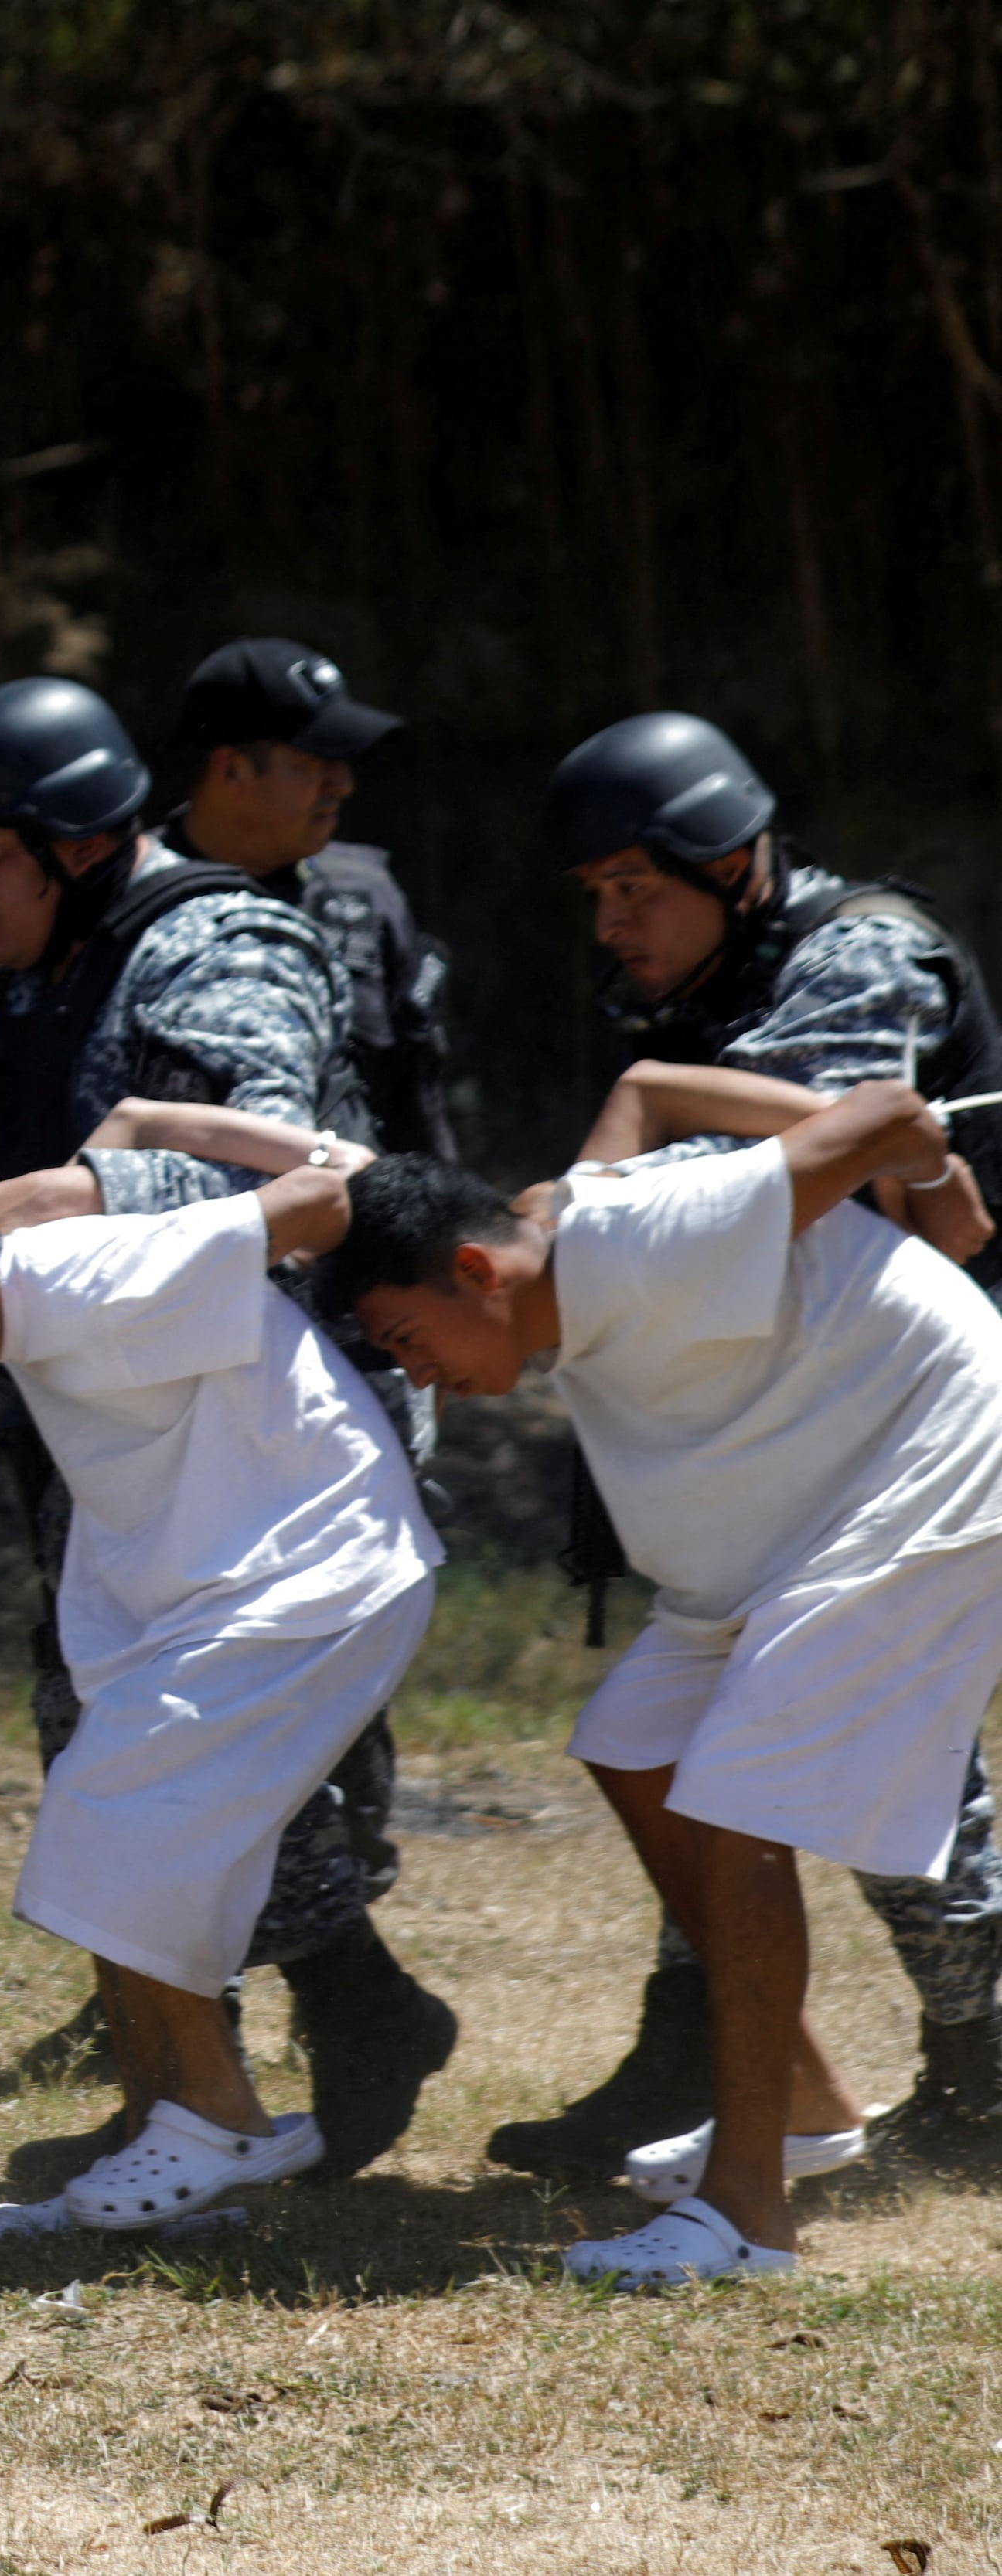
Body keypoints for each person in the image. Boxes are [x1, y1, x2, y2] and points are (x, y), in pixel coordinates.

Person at [0, 679, 454, 2183]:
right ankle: (181, 2087)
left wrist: (33, 1211)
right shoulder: (6, 981)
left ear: (78, 846)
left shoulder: (219, 946)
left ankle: (346, 2018)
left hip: (259, 1440)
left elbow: (270, 1188)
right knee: (100, 1738)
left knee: (219, 1764)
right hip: (104, 1421)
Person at [326, 1080, 1002, 2282]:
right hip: (789, 1518)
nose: (418, 1378)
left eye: (407, 1341)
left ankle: (748, 2219)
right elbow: (638, 1091)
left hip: (929, 1474)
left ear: (477, 1271)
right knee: (635, 1742)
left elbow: (895, 1111)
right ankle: (799, 2103)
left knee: (735, 1812)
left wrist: (943, 1188)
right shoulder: (557, 1243)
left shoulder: (660, 1229)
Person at [488, 711, 1002, 2179]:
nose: (613, 921)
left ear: (732, 860)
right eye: (593, 894)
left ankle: (981, 2061)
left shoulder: (854, 956)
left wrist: (592, 1188)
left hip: (904, 1427)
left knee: (906, 1777)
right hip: (790, 1425)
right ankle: (705, 2046)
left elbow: (756, 1182)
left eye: (635, 889)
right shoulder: (715, 977)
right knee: (700, 1749)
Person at [0, 1132, 438, 2240]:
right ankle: (171, 2137)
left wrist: (165, 1131)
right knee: (109, 1837)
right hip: (217, 1584)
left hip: (316, 1571)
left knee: (119, 1828)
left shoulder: (105, 1271)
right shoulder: (10, 1290)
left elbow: (328, 1191)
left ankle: (223, 2128)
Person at [162, 641, 455, 1159]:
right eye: (312, 762)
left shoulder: (363, 895)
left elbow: (417, 1104)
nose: (342, 784)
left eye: (341, 761)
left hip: (358, 1217)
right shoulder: (135, 905)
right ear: (231, 770)